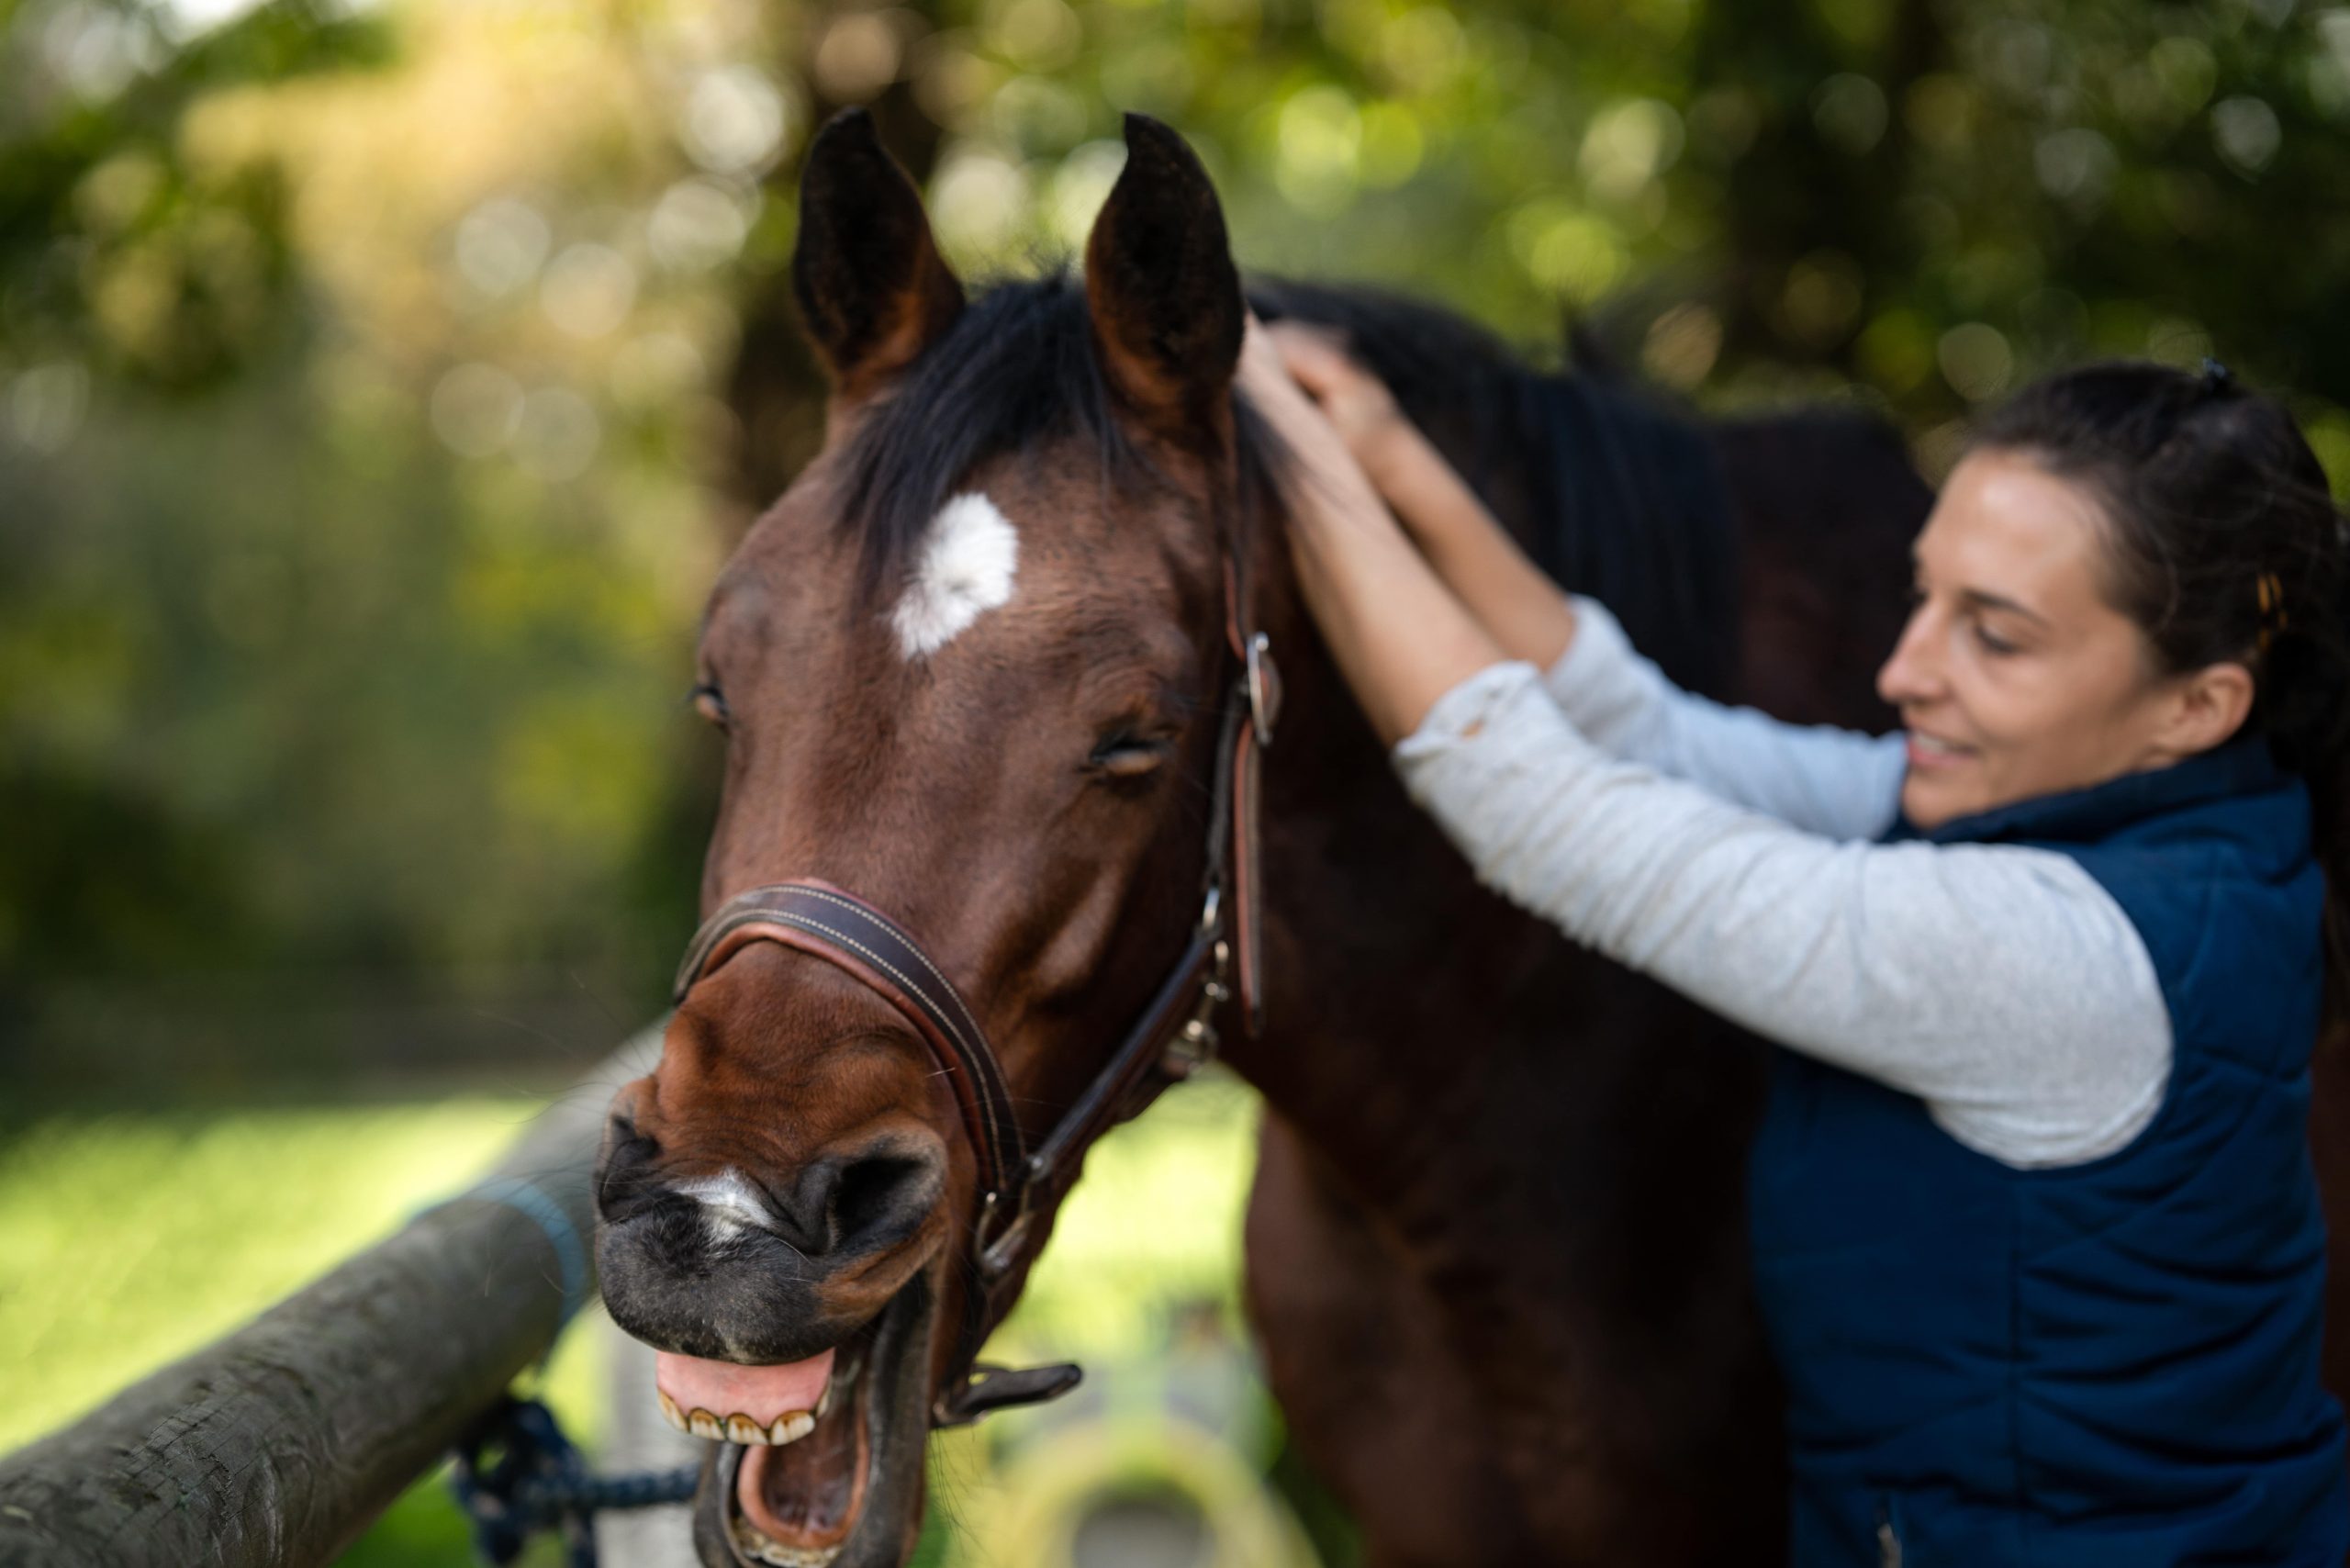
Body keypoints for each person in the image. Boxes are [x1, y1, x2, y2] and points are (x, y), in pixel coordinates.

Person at [1236, 317, 2350, 1566]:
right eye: (1925, 596)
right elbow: (1637, 727)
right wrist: (1390, 459)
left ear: (2197, 705)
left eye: (1996, 635)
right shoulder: (2098, 833)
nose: (1905, 668)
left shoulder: (2064, 959)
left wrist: (1291, 460)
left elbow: (1542, 811)